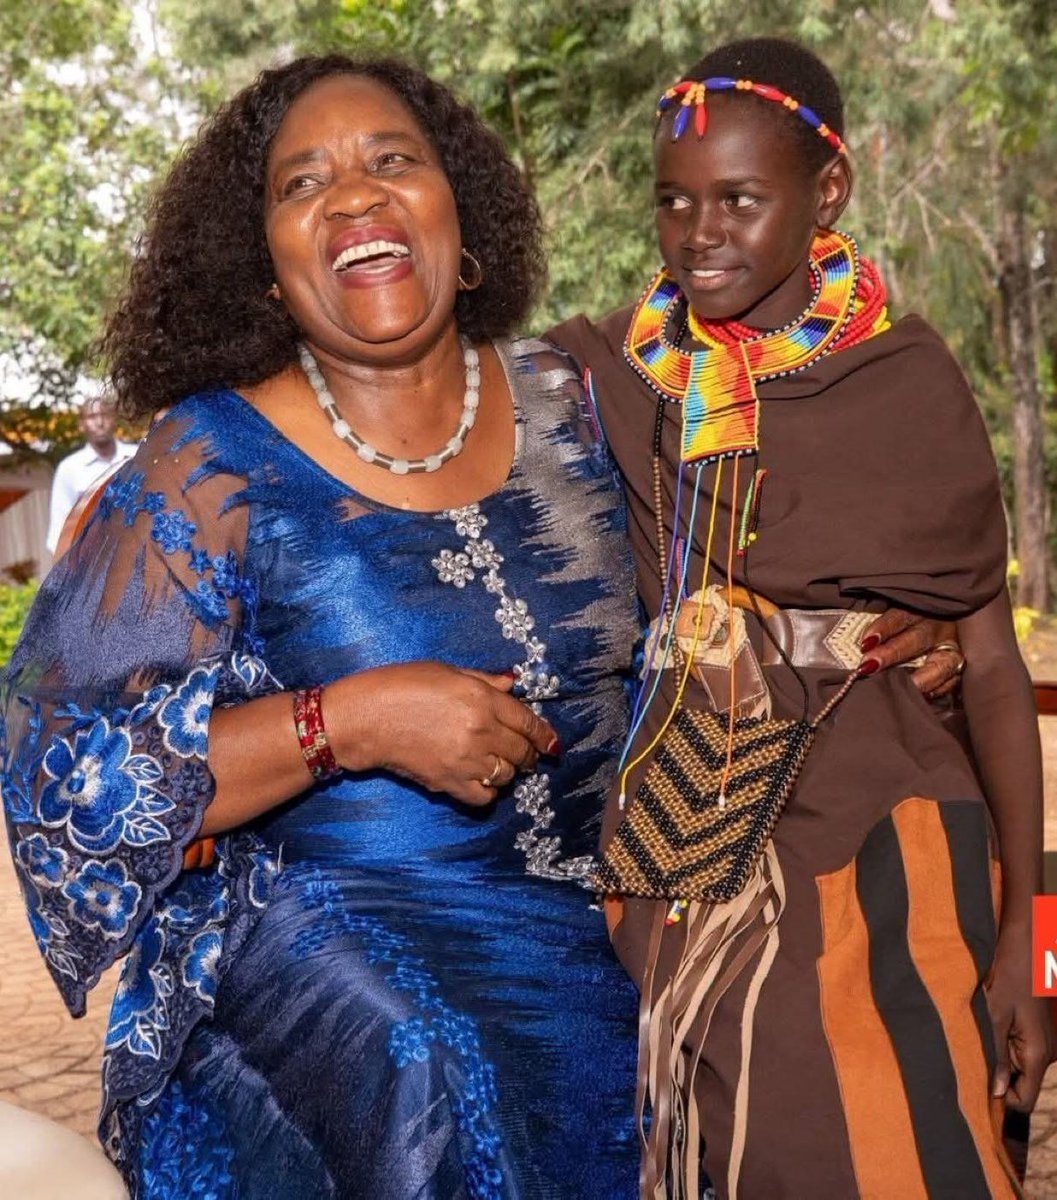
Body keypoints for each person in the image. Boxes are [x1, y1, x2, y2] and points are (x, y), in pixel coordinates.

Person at [1, 51, 962, 1200]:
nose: (355, 196)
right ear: (262, 265)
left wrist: (885, 628)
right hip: (337, 951)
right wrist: (341, 723)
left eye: (393, 162)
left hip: (618, 913)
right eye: (303, 184)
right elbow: (63, 773)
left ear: (463, 213)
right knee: (444, 1074)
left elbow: (744, 568)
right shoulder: (208, 467)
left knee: (772, 1054)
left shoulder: (591, 395)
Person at [551, 37, 1051, 1200]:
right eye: (673, 202)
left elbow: (986, 667)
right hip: (689, 819)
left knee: (906, 1133)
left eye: (738, 199)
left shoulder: (908, 380)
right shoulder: (608, 377)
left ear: (827, 194)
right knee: (722, 1135)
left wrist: (1039, 946)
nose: (698, 233)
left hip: (896, 824)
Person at [45, 396, 135, 554]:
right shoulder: (69, 469)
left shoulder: (137, 456)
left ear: (114, 419)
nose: (99, 422)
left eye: (105, 415)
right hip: (90, 562)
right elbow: (59, 531)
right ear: (82, 424)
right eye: (92, 417)